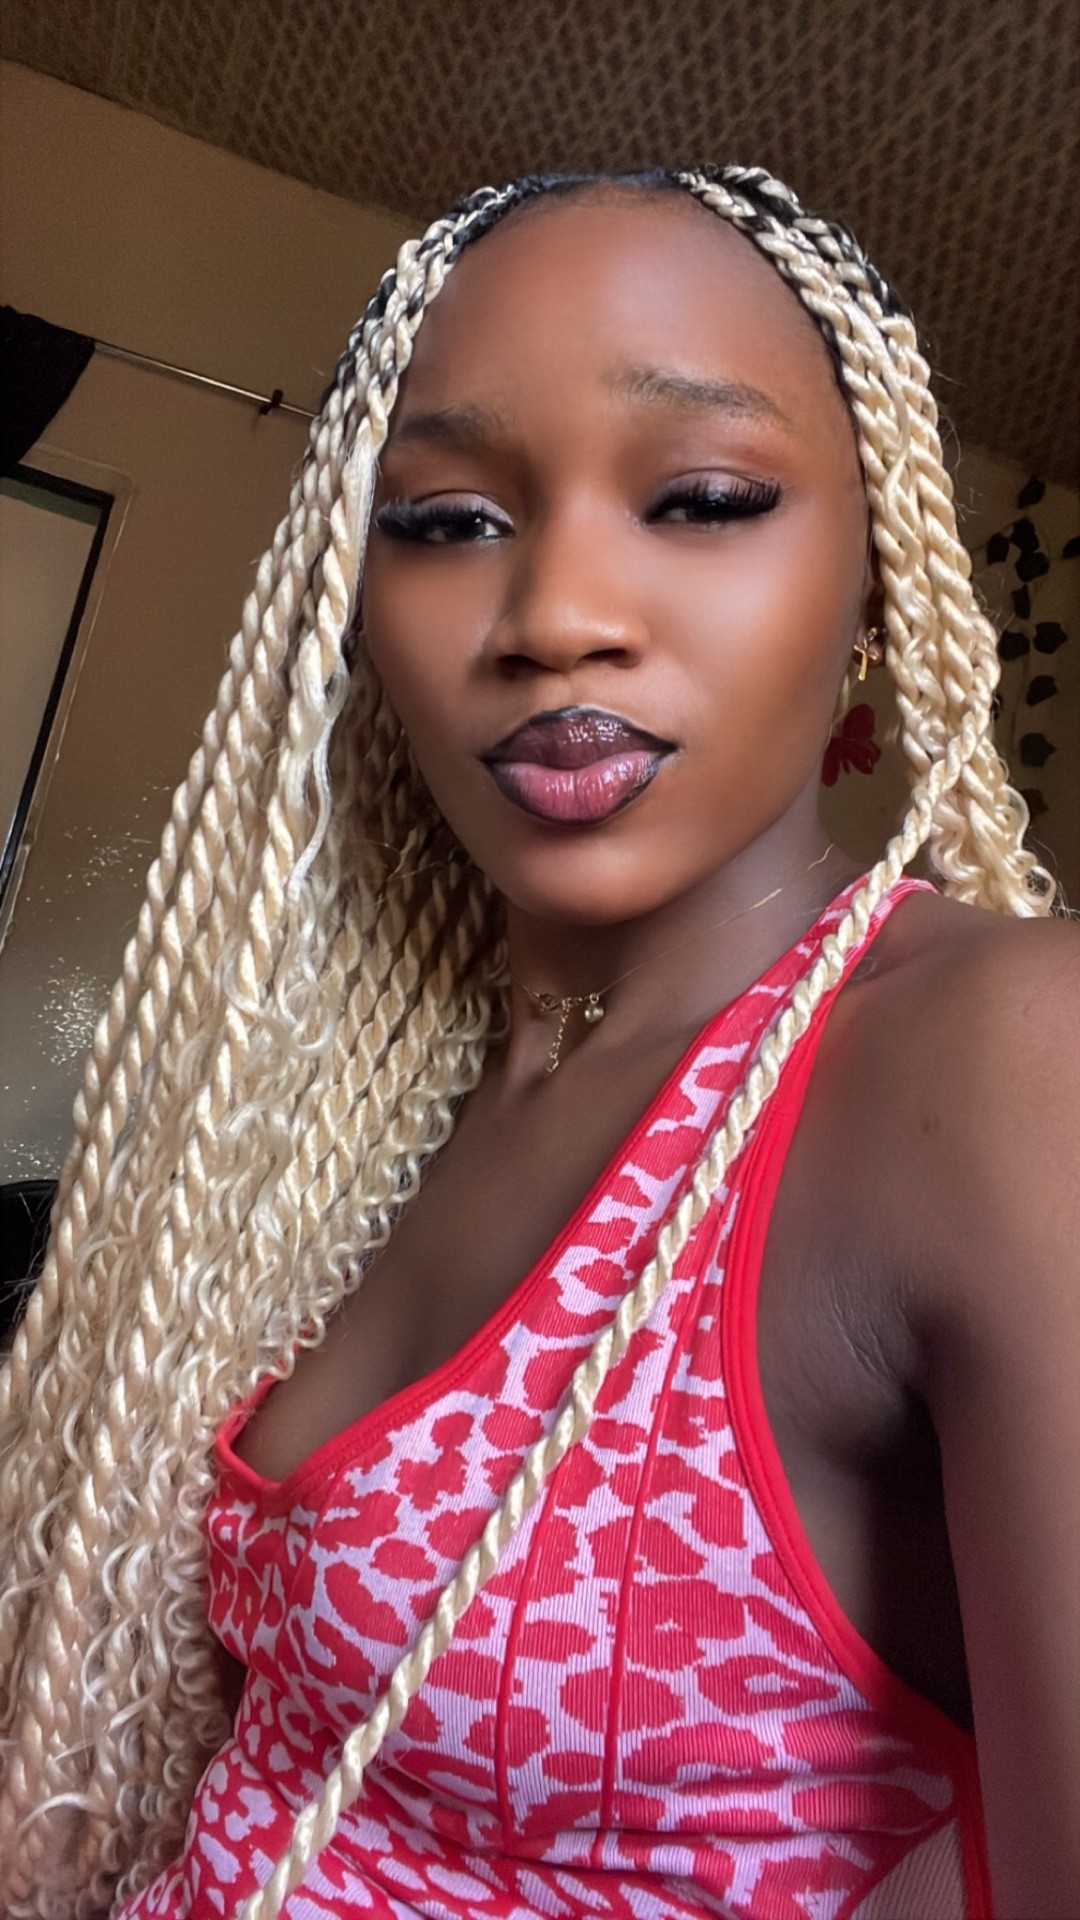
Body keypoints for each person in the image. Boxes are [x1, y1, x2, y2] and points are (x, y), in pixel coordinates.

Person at [0, 166, 1076, 1920]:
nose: (559, 611)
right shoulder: (366, 1104)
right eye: (445, 520)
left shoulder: (1001, 1060)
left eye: (704, 498)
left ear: (879, 578)